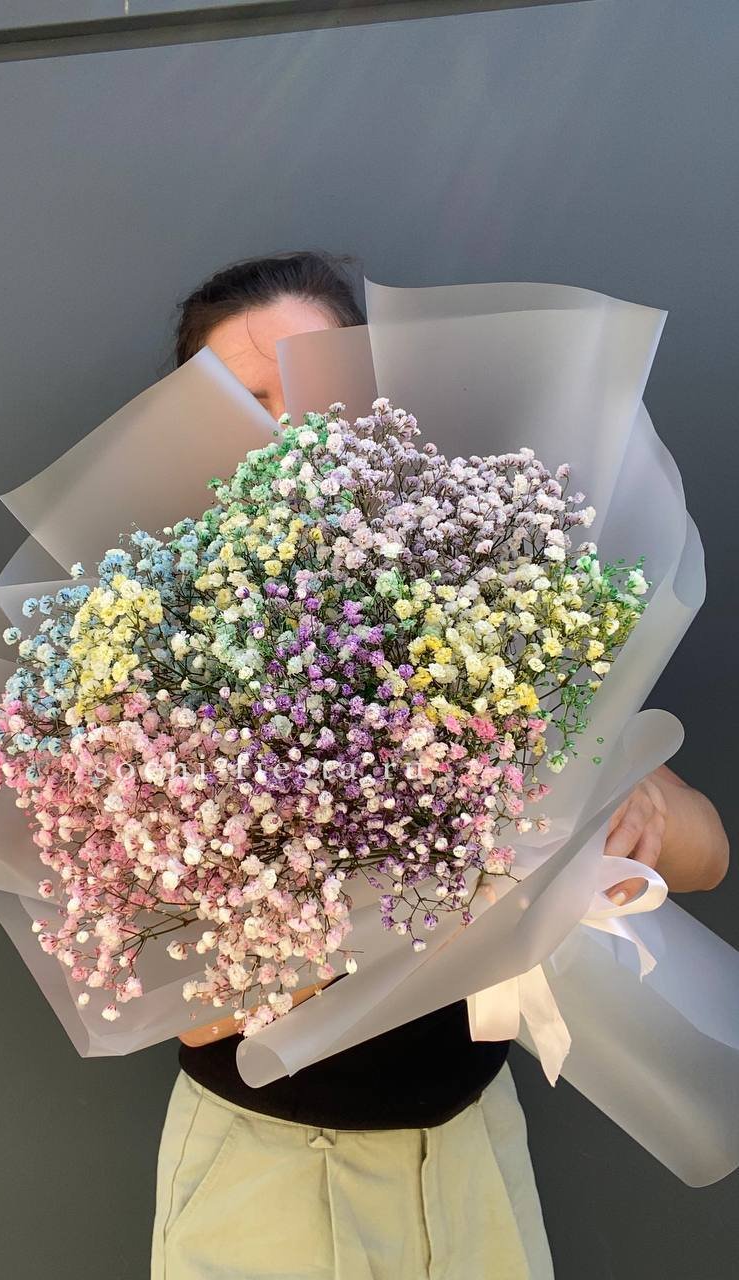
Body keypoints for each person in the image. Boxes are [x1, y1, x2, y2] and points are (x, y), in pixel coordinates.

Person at [149, 250, 731, 1279]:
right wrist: (403, 877)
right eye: (252, 402)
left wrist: (622, 798)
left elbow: (704, 854)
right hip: (276, 1179)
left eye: (321, 383)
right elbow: (196, 1019)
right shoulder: (162, 656)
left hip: (470, 1153)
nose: (296, 430)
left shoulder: (487, 605)